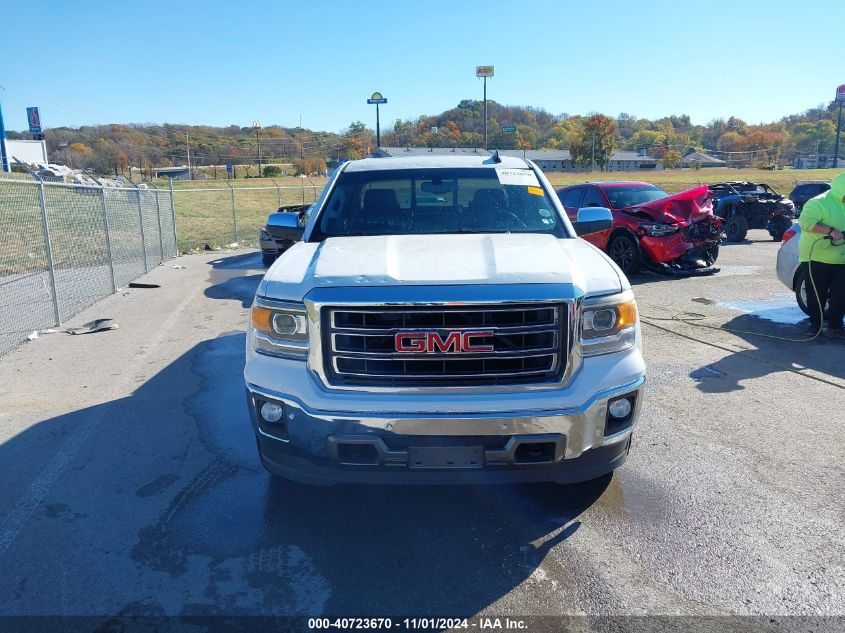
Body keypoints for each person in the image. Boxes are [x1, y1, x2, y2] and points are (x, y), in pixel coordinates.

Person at [798, 171, 845, 340]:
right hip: (815, 256)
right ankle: (816, 325)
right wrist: (830, 231)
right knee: (817, 293)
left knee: (840, 293)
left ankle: (835, 327)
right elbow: (806, 222)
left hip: (841, 257)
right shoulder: (818, 203)